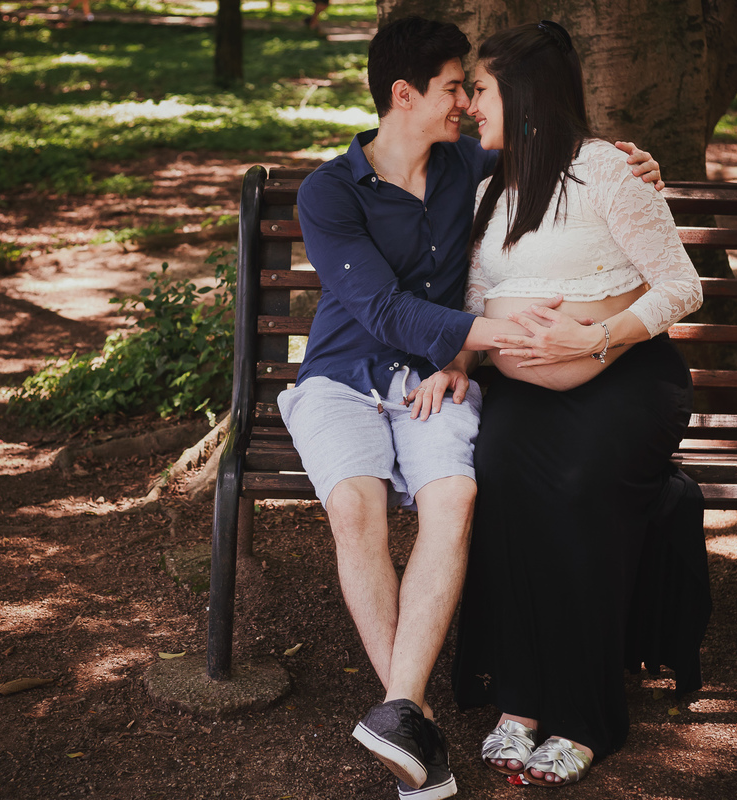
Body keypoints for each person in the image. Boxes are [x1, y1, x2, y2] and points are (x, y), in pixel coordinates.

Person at [280, 16, 663, 800]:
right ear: (403, 94)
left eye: (468, 88)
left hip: (434, 380)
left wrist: (638, 164)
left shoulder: (470, 166)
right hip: (344, 376)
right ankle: (410, 712)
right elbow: (381, 310)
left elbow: (560, 150)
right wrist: (488, 331)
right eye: (454, 87)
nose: (464, 101)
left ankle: (398, 720)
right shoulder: (328, 192)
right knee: (356, 508)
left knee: (453, 497)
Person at [414, 20, 711, 788]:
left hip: (626, 382)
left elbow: (682, 286)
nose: (474, 105)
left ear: (524, 93)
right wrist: (458, 359)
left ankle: (585, 714)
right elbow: (476, 302)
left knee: (577, 488)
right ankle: (519, 699)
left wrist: (596, 339)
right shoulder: (488, 189)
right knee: (500, 480)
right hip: (521, 390)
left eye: (481, 90)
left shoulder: (609, 173)